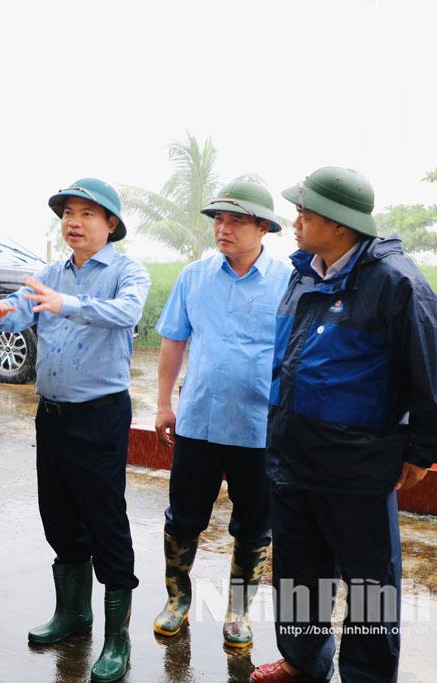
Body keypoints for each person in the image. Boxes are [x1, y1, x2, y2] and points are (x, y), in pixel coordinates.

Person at [251, 167, 437, 683]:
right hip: (293, 456)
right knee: (300, 573)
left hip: (357, 467)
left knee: (371, 587)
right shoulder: (304, 272)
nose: (295, 221)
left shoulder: (394, 282)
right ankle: (304, 662)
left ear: (341, 225)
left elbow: (434, 368)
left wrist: (422, 450)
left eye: (306, 212)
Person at [0, 178, 150, 682]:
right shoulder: (52, 272)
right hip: (51, 415)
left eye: (86, 214)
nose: (73, 222)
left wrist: (67, 304)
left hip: (99, 417)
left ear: (110, 224)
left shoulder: (126, 271)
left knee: (106, 523)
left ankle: (117, 640)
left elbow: (127, 313)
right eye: (68, 213)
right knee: (58, 516)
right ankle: (74, 614)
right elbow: (23, 310)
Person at [152, 180, 292, 649]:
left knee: (254, 525)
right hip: (200, 422)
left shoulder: (288, 280)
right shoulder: (195, 277)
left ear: (263, 227)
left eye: (235, 220)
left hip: (260, 427)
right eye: (218, 219)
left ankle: (237, 613)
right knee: (184, 517)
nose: (222, 228)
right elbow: (174, 339)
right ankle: (177, 600)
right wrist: (163, 402)